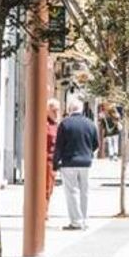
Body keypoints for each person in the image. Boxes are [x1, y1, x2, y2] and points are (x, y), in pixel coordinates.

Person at [53, 98, 99, 230]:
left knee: (72, 192)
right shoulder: (90, 124)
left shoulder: (65, 124)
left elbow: (59, 145)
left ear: (69, 110)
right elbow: (96, 144)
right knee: (85, 192)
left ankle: (76, 221)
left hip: (69, 163)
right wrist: (88, 153)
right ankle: (84, 219)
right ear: (82, 109)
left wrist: (56, 163)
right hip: (86, 163)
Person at [45, 99, 61, 218]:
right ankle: (43, 211)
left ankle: (45, 209)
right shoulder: (45, 124)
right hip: (46, 160)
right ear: (48, 109)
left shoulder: (55, 124)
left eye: (58, 110)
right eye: (55, 110)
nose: (57, 113)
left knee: (50, 187)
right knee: (46, 187)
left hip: (52, 161)